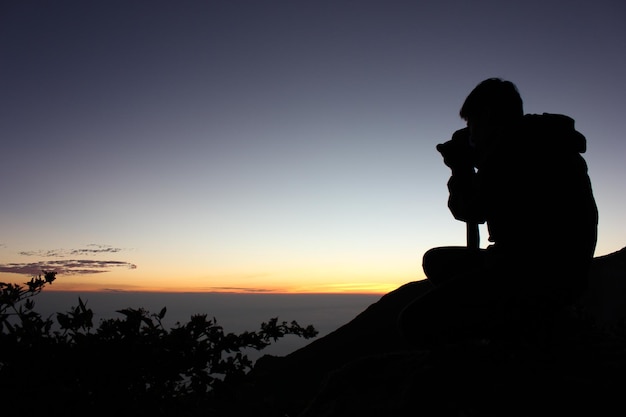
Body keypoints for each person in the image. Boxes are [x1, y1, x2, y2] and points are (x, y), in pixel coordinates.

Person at [398, 78, 598, 348]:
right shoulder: (541, 141)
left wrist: (461, 168)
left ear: (489, 116)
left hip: (535, 276)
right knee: (437, 260)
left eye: (471, 124)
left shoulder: (515, 150)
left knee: (415, 321)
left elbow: (468, 209)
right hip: (559, 269)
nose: (470, 134)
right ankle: (509, 322)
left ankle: (499, 348)